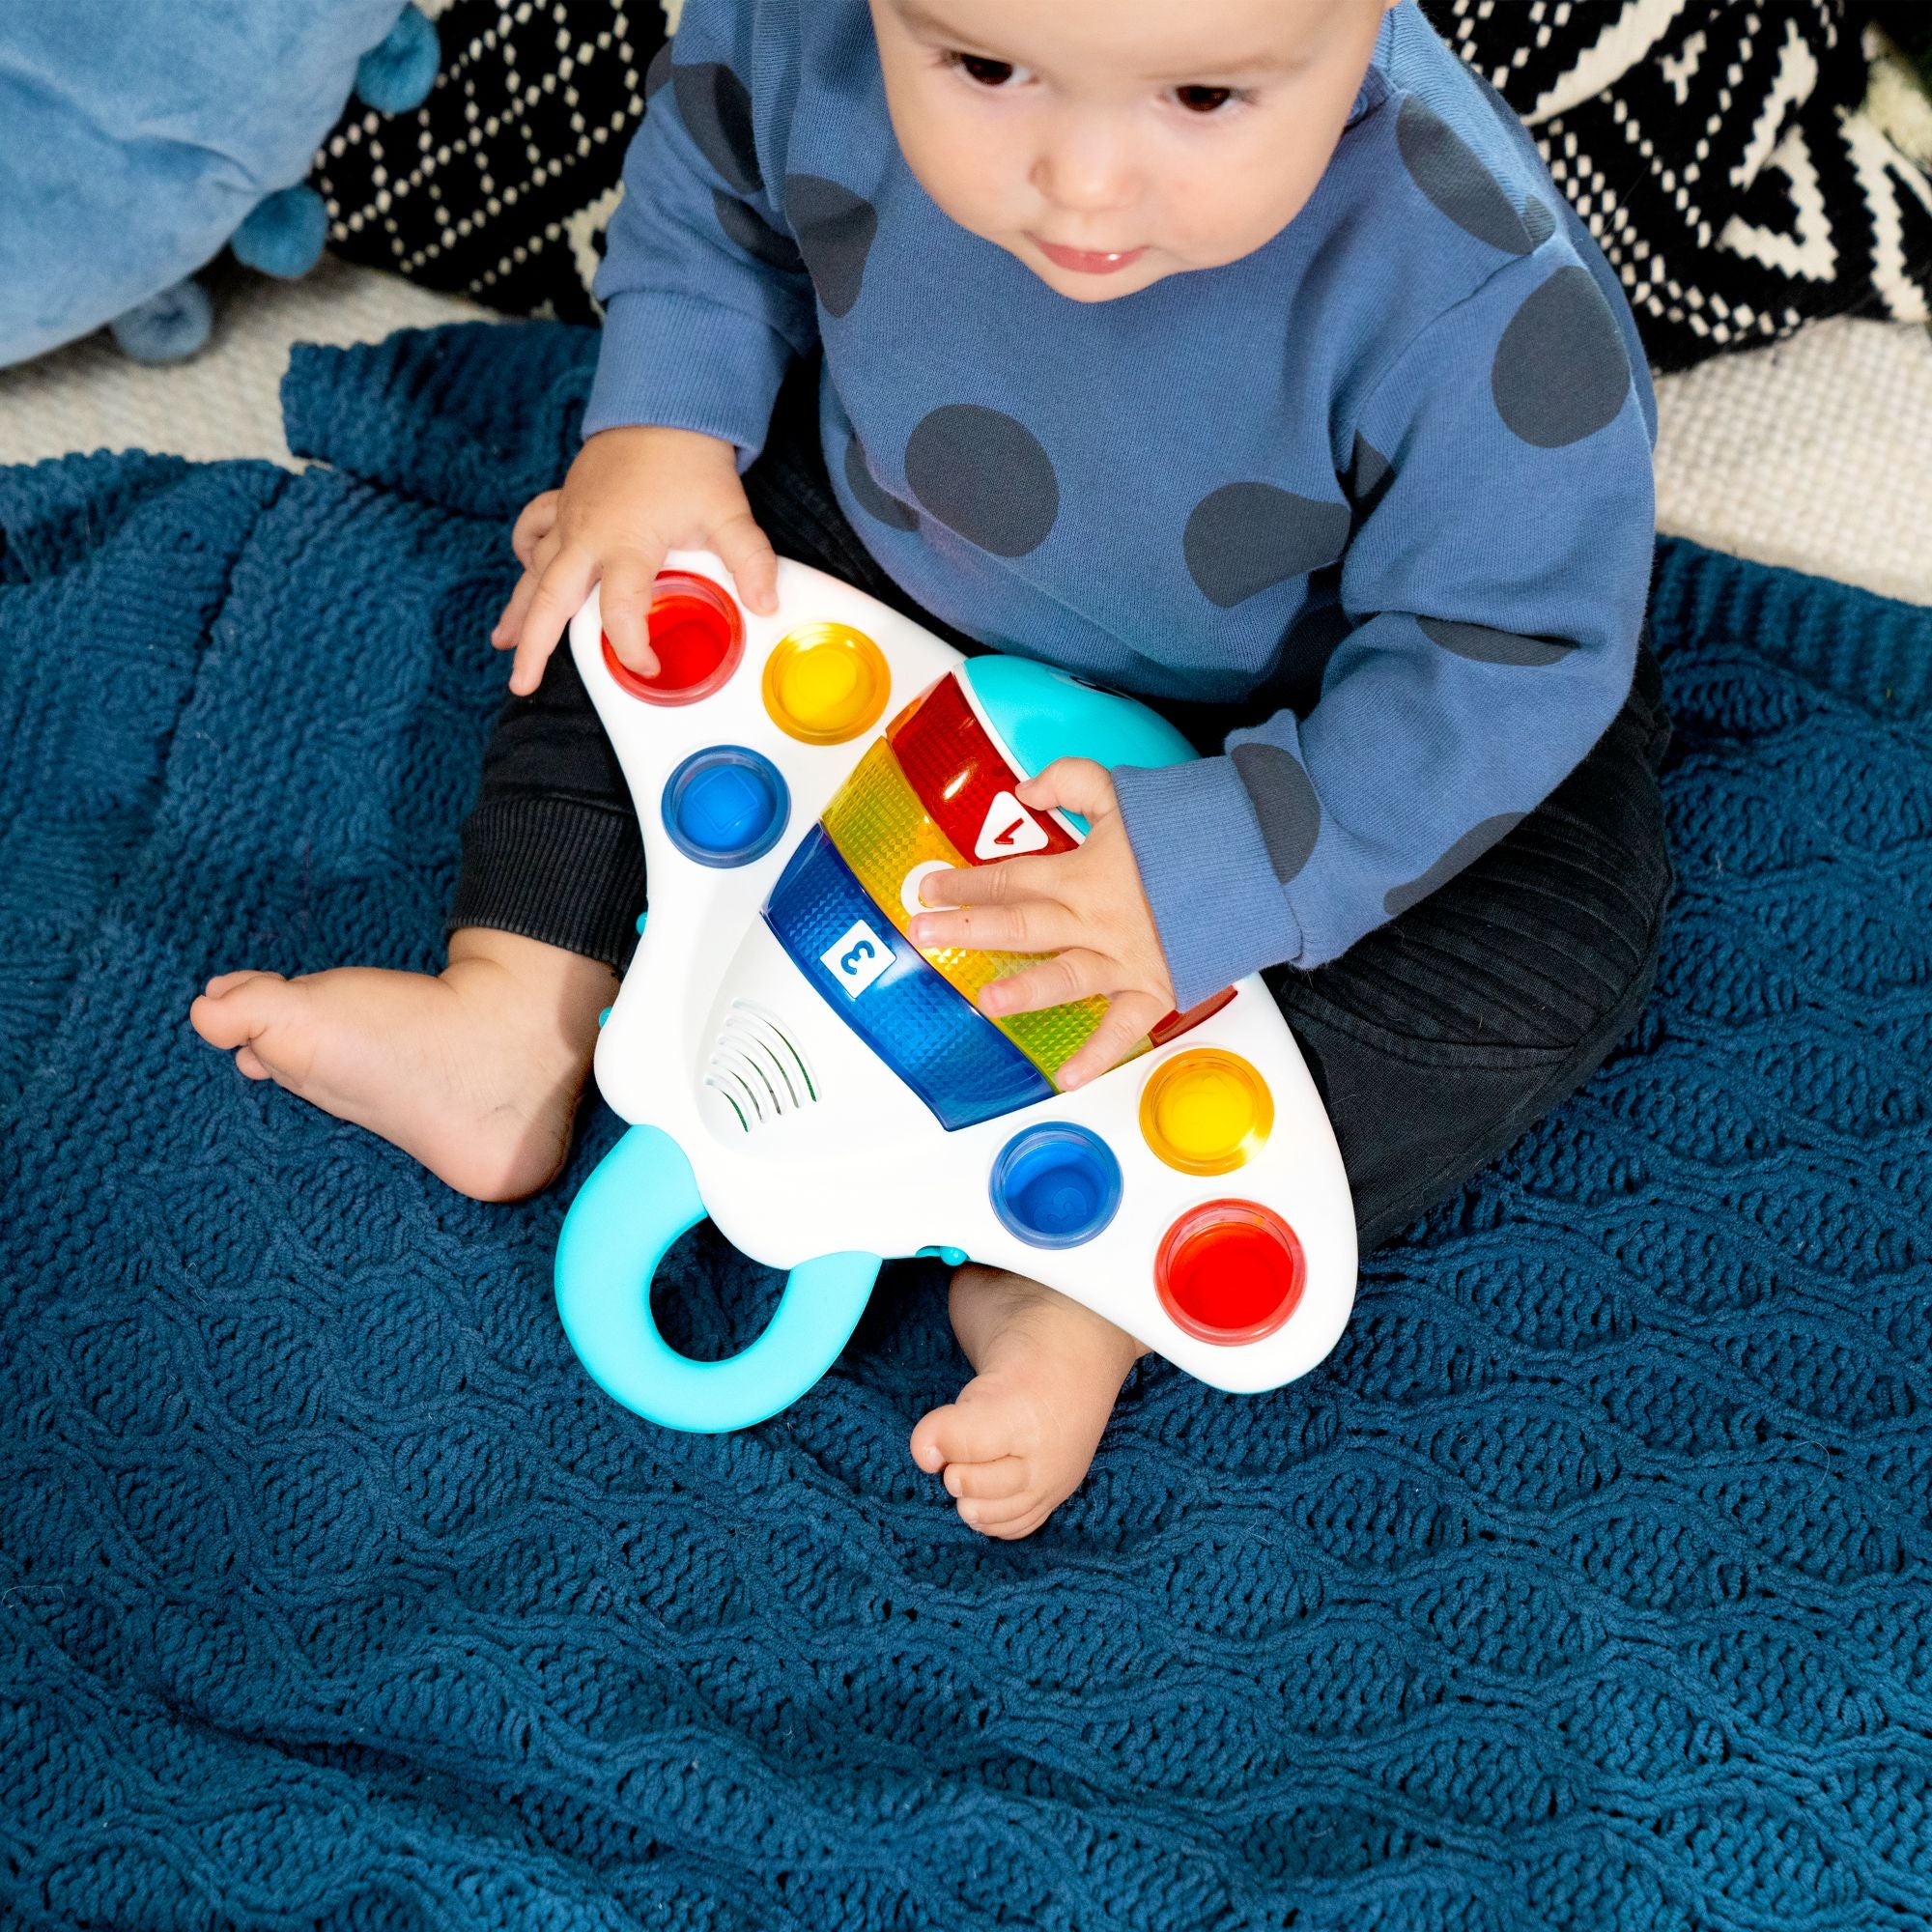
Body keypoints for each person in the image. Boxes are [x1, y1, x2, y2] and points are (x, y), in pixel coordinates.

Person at [192, 0, 1672, 1539]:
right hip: (909, 540)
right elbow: (711, 177)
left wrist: (1236, 864)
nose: (1082, 182)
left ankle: (1071, 1258)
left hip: (1317, 709)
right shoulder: (805, 25)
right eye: (984, 67)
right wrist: (664, 422)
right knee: (631, 570)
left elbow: (1513, 650)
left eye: (1202, 97)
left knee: (1538, 942)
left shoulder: (1480, 294)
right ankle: (516, 1004)